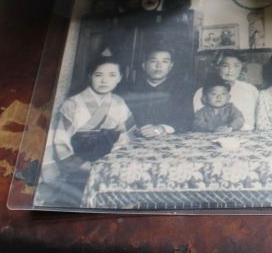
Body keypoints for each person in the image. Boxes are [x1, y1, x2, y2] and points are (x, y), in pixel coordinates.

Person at [39, 56, 134, 205]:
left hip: (109, 159)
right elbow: (60, 142)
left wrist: (115, 158)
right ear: (90, 76)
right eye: (98, 75)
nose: (104, 81)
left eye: (112, 75)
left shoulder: (118, 102)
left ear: (119, 78)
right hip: (79, 161)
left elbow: (127, 133)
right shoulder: (72, 104)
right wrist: (83, 166)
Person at [120, 48, 193, 137]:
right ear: (144, 65)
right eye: (153, 61)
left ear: (171, 66)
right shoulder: (129, 90)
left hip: (168, 140)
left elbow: (187, 120)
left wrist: (162, 128)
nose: (159, 66)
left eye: (164, 61)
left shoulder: (181, 91)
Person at [192, 49, 258, 129]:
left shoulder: (251, 90)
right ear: (217, 66)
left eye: (236, 66)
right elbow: (199, 123)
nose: (231, 70)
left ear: (242, 67)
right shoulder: (202, 92)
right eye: (225, 66)